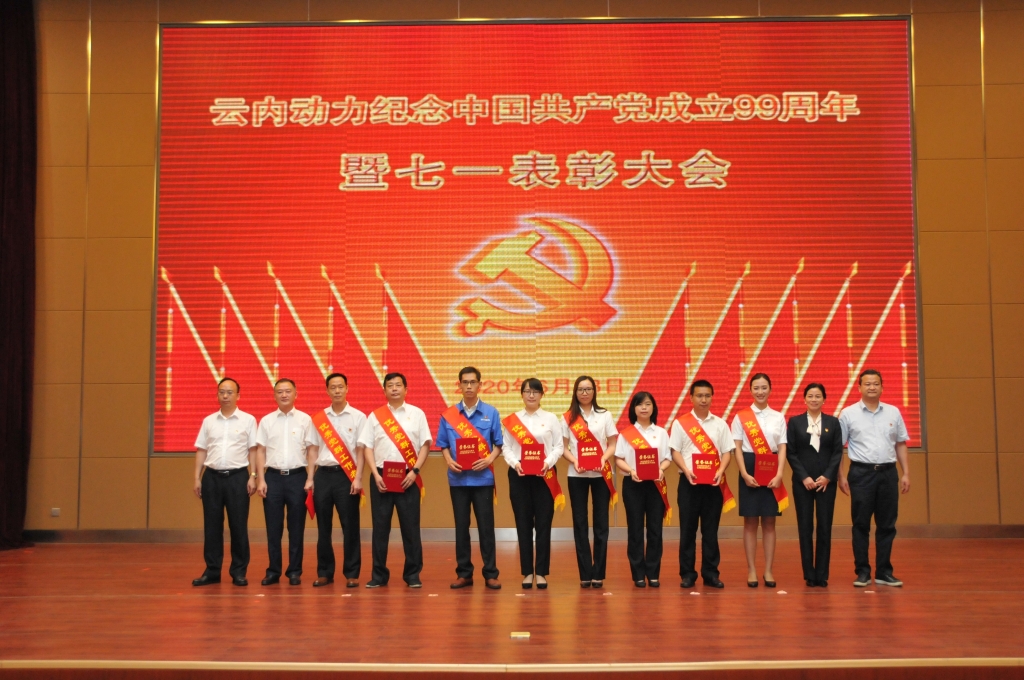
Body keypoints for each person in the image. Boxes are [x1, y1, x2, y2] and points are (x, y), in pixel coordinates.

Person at [359, 372, 432, 588]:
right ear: (384, 390)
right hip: (381, 476)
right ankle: (379, 575)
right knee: (380, 529)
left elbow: (425, 445)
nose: (394, 389)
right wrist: (375, 474)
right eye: (390, 385)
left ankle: (412, 574)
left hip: (408, 476)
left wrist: (415, 471)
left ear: (406, 389)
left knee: (411, 528)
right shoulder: (375, 416)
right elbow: (367, 446)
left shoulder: (417, 414)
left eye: (398, 385)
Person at [838, 369, 910, 588]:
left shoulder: (893, 412)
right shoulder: (848, 414)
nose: (872, 387)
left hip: (888, 473)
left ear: (882, 387)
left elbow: (900, 443)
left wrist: (906, 472)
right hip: (861, 474)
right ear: (859, 387)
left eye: (876, 384)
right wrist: (841, 476)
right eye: (867, 384)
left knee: (887, 524)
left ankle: (884, 572)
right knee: (861, 524)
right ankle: (862, 572)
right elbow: (839, 448)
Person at [436, 367, 504, 590]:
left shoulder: (491, 412)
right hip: (458, 479)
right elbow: (443, 445)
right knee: (461, 527)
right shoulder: (448, 415)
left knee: (486, 527)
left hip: (483, 479)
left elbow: (499, 444)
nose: (468, 386)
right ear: (459, 385)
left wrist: (489, 459)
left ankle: (490, 573)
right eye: (464, 382)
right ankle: (464, 573)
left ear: (479, 385)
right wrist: (448, 460)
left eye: (472, 382)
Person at [192, 377, 257, 587]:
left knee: (238, 526)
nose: (225, 395)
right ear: (217, 394)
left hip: (238, 478)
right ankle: (212, 571)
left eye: (230, 392)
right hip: (211, 478)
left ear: (238, 395)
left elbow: (253, 450)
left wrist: (253, 475)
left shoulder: (248, 420)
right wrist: (197, 477)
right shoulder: (209, 421)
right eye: (222, 392)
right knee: (211, 526)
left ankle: (239, 571)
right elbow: (202, 449)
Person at [501, 378, 564, 590]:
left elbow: (558, 447)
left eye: (535, 391)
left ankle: (542, 572)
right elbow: (506, 447)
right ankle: (527, 572)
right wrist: (515, 463)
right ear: (521, 394)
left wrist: (547, 463)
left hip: (545, 476)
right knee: (523, 524)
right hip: (519, 475)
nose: (531, 395)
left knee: (544, 525)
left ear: (541, 395)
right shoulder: (513, 420)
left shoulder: (551, 418)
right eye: (527, 391)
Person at [670, 379, 733, 589]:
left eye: (707, 396)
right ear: (691, 398)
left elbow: (727, 452)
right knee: (687, 531)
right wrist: (686, 469)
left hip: (713, 485)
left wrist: (720, 471)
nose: (703, 399)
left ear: (712, 397)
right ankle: (687, 574)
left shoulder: (720, 424)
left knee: (710, 531)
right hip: (689, 483)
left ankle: (711, 573)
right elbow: (675, 451)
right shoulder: (680, 423)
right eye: (699, 396)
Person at [255, 378, 317, 586]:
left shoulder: (305, 420)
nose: (284, 395)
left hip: (298, 477)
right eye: (279, 391)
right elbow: (260, 451)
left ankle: (294, 571)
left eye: (288, 391)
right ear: (274, 395)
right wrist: (261, 479)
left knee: (296, 527)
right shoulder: (266, 421)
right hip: (272, 477)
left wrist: (310, 478)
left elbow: (312, 450)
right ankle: (273, 571)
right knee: (273, 528)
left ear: (295, 394)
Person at [731, 373, 789, 588]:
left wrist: (780, 473)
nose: (760, 392)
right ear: (750, 390)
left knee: (770, 521)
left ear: (770, 389)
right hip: (749, 467)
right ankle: (752, 570)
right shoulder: (740, 417)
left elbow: (782, 447)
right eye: (756, 388)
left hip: (772, 468)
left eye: (764, 387)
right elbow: (737, 448)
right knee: (750, 521)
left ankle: (768, 570)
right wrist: (744, 474)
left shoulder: (778, 417)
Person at [310, 373, 367, 588]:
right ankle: (325, 572)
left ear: (347, 388)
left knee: (350, 526)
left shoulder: (358, 417)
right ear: (327, 391)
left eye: (340, 387)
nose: (337, 391)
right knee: (323, 527)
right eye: (332, 387)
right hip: (323, 475)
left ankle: (352, 573)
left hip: (347, 476)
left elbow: (360, 451)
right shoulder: (319, 419)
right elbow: (313, 450)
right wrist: (310, 478)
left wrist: (358, 478)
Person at [561, 376, 618, 588]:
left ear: (594, 391)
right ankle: (585, 573)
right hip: (577, 475)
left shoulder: (605, 415)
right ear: (575, 392)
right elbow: (563, 447)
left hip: (601, 474)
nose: (584, 393)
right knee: (580, 523)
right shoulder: (567, 418)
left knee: (601, 524)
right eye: (581, 389)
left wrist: (603, 459)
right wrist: (575, 461)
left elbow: (612, 444)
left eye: (588, 389)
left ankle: (598, 573)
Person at [787, 382, 843, 588]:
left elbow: (837, 452)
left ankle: (822, 574)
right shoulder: (795, 422)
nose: (814, 399)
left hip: (826, 483)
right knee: (805, 527)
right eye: (810, 396)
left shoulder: (833, 422)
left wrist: (828, 476)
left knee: (825, 526)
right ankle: (809, 574)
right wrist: (804, 477)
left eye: (818, 396)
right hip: (803, 483)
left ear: (824, 399)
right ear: (804, 399)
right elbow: (791, 453)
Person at [614, 392, 672, 588]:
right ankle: (638, 574)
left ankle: (653, 573)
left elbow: (667, 458)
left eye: (648, 404)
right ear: (634, 409)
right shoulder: (625, 434)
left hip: (656, 484)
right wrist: (631, 471)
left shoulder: (662, 433)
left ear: (653, 407)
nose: (644, 408)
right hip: (633, 485)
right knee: (635, 530)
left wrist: (661, 470)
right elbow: (618, 458)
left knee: (655, 529)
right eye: (640, 404)